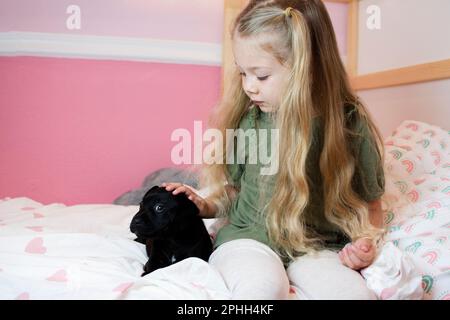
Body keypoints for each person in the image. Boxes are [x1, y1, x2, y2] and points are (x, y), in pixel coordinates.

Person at [163, 0, 385, 300]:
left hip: (318, 246)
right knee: (261, 291)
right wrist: (204, 206)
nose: (249, 87)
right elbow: (235, 192)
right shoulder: (250, 119)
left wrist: (364, 245)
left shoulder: (347, 121)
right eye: (243, 73)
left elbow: (371, 203)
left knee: (354, 296)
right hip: (248, 238)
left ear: (307, 68)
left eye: (261, 76)